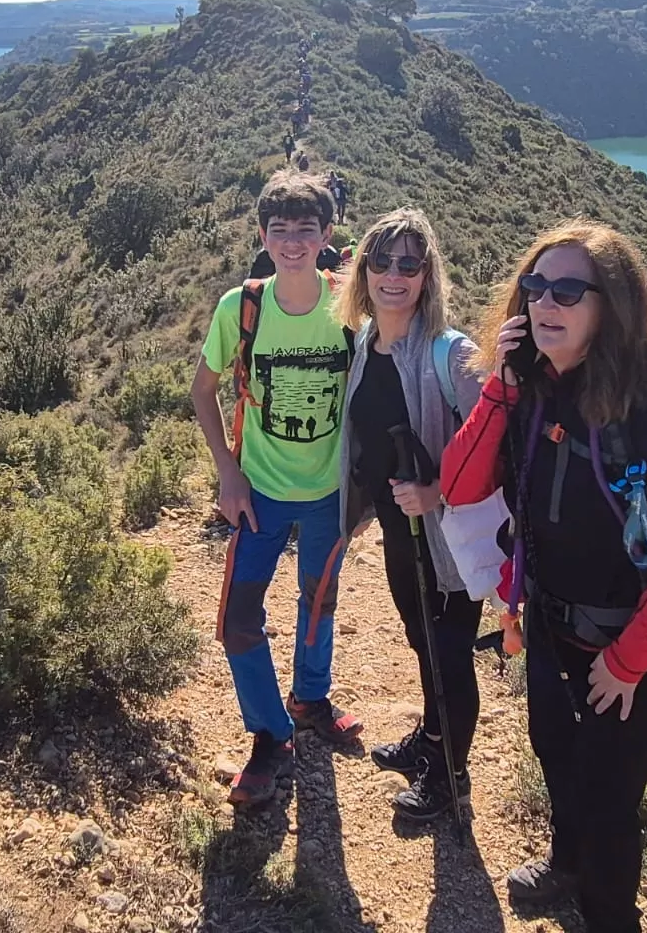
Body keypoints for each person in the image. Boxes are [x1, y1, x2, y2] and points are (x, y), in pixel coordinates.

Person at [441, 220, 647, 931]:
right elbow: (459, 482)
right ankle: (566, 865)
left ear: (613, 305)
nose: (546, 303)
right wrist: (502, 388)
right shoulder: (534, 385)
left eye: (570, 290)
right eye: (536, 287)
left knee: (607, 799)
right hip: (557, 621)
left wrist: (628, 664)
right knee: (555, 750)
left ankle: (607, 916)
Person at [192, 170, 363, 807]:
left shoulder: (350, 304)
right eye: (281, 230)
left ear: (327, 236)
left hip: (328, 494)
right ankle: (269, 734)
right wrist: (227, 472)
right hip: (258, 490)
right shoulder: (242, 307)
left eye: (307, 230)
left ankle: (311, 698)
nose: (293, 242)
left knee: (317, 603)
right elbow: (202, 391)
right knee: (238, 619)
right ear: (263, 235)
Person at [335, 210, 485, 820]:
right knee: (423, 644)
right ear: (363, 271)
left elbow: (497, 452)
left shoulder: (452, 356)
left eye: (408, 264)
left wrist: (438, 493)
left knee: (449, 655)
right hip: (401, 534)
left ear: (427, 277)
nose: (393, 275)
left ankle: (451, 780)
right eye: (381, 261)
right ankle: (430, 742)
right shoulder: (365, 346)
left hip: (447, 540)